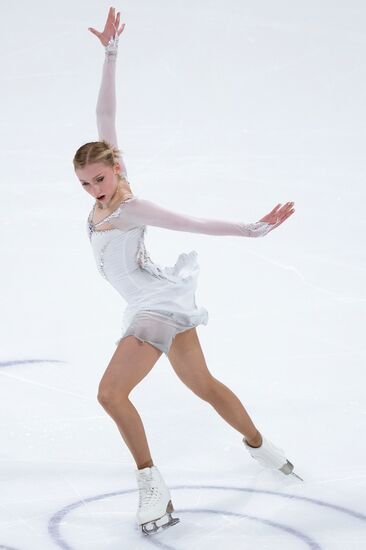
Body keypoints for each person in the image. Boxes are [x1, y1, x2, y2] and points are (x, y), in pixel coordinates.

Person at [73, 7, 300, 536]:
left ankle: (151, 484)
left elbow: (191, 221)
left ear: (115, 169)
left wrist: (252, 229)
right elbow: (105, 115)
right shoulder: (107, 171)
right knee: (204, 385)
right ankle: (266, 449)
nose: (94, 190)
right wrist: (109, 54)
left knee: (111, 395)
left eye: (99, 179)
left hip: (155, 306)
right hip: (156, 298)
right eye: (85, 184)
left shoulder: (132, 206)